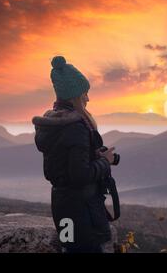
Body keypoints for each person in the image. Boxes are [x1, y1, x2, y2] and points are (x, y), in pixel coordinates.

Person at [32, 56, 119, 253]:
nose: (88, 98)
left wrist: (93, 154)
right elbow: (80, 175)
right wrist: (105, 162)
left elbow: (66, 164)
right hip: (83, 212)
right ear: (75, 96)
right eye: (85, 93)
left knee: (69, 248)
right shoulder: (76, 127)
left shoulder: (52, 125)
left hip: (62, 206)